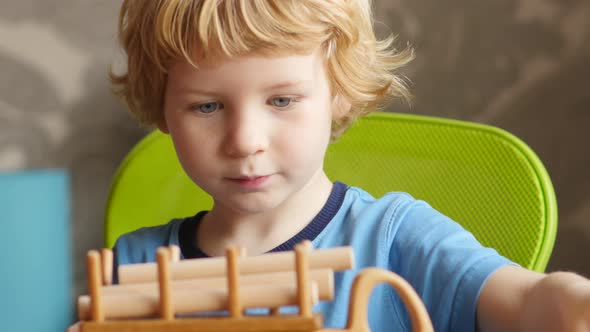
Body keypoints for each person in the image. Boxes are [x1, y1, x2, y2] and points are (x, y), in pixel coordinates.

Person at [70, 1, 590, 331]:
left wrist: (570, 302)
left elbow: (527, 304)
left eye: (282, 101)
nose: (245, 141)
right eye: (207, 106)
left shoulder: (395, 240)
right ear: (164, 112)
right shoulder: (134, 267)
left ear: (338, 95)